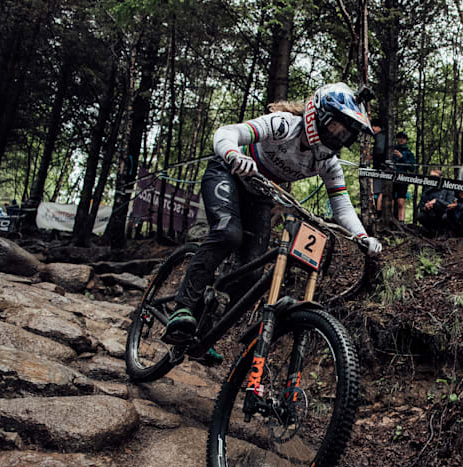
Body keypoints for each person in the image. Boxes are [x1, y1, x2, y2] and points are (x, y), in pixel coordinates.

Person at [163, 82, 382, 345]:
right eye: (335, 126)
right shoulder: (284, 125)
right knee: (227, 234)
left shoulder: (327, 162)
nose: (338, 136)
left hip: (259, 195)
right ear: (318, 115)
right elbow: (227, 131)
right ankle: (182, 308)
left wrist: (362, 236)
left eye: (346, 134)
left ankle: (203, 332)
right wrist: (234, 155)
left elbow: (342, 204)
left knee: (253, 273)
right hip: (227, 172)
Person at [386, 131, 415, 223]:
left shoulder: (409, 153)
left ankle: (401, 222)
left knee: (401, 202)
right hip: (391, 178)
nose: (401, 139)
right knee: (390, 200)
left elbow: (412, 168)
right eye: (399, 137)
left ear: (406, 140)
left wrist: (402, 157)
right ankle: (390, 220)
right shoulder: (391, 150)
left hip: (403, 179)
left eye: (403, 138)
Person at [416, 169, 453, 235]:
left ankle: (444, 232)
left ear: (441, 178)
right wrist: (426, 206)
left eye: (435, 177)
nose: (433, 179)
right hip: (430, 214)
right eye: (431, 177)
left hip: (444, 215)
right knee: (420, 216)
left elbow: (450, 204)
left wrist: (437, 201)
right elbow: (422, 205)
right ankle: (430, 231)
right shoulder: (427, 189)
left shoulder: (448, 189)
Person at [370, 119, 387, 210]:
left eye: (374, 126)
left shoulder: (380, 136)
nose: (372, 129)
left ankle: (378, 210)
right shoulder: (384, 136)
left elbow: (379, 150)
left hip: (380, 167)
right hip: (381, 166)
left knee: (379, 191)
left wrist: (375, 159)